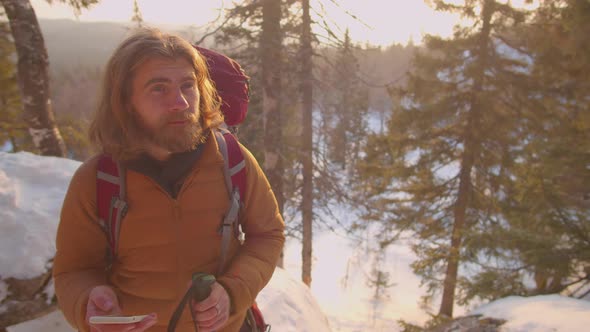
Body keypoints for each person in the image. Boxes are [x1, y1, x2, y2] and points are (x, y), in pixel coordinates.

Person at [53, 28, 285, 332]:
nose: (180, 103)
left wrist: (232, 291)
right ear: (125, 101)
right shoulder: (97, 181)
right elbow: (74, 270)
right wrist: (88, 303)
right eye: (158, 88)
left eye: (188, 85)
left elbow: (267, 235)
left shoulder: (233, 161)